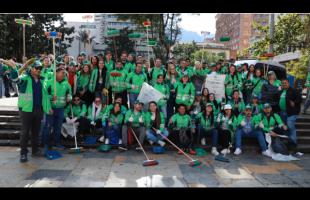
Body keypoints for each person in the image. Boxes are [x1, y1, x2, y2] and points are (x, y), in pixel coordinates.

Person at [9, 60, 52, 162]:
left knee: (36, 132)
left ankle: (35, 150)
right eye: (37, 68)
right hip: (26, 110)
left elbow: (44, 95)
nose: (39, 70)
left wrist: (50, 99)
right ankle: (23, 154)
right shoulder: (25, 78)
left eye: (40, 68)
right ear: (31, 69)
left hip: (38, 110)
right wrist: (13, 69)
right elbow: (15, 80)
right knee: (25, 132)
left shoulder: (42, 80)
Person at [43, 66, 72, 151]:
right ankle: (45, 144)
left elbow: (69, 93)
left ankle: (57, 143)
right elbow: (44, 96)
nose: (64, 74)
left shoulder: (66, 83)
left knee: (58, 127)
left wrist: (69, 97)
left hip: (61, 109)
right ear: (56, 73)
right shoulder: (49, 82)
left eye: (65, 73)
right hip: (50, 108)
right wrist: (51, 97)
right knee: (48, 127)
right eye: (62, 72)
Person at [279, 78, 301, 147]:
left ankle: (293, 143)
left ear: (288, 83)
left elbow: (299, 99)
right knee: (284, 128)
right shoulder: (281, 91)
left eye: (285, 83)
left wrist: (294, 102)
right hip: (282, 112)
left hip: (291, 113)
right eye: (283, 83)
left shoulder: (293, 90)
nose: (284, 84)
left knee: (290, 126)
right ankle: (287, 142)